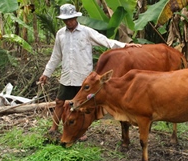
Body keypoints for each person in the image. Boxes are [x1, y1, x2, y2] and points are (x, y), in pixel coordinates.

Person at [39, 3, 141, 141]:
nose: (69, 22)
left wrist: (124, 45)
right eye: (66, 20)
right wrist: (46, 73)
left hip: (83, 77)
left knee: (82, 106)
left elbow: (104, 41)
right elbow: (56, 56)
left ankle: (81, 132)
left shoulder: (86, 32)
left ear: (76, 17)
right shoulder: (60, 34)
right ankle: (54, 128)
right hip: (67, 75)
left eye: (71, 19)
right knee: (59, 101)